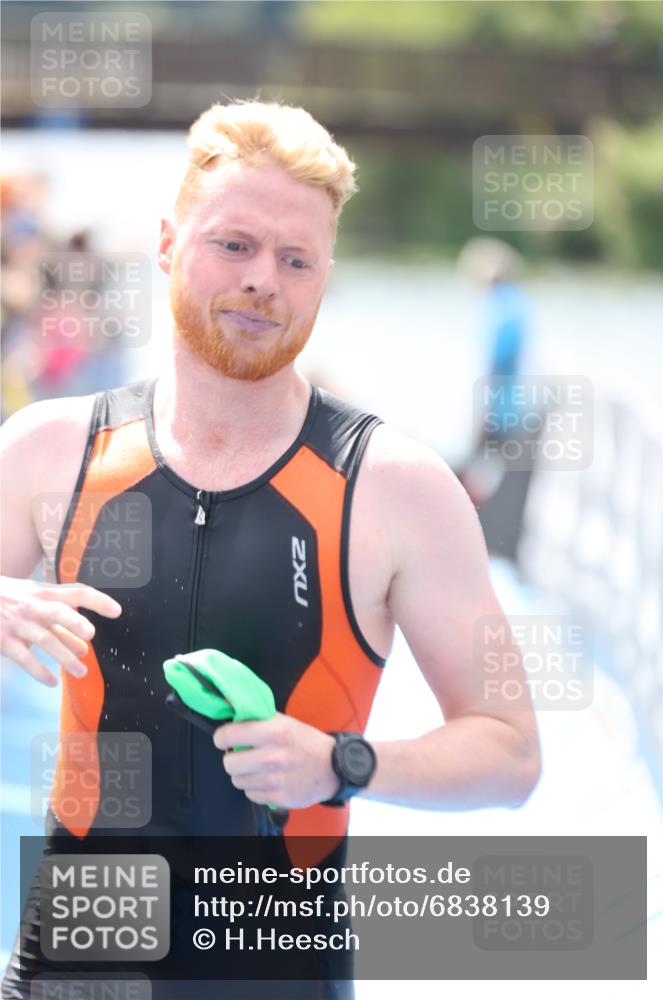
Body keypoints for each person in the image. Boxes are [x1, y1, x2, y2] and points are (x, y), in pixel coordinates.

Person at [1, 101, 541, 999]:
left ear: (324, 276)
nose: (263, 281)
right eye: (234, 245)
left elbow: (511, 755)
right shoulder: (49, 449)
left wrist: (340, 763)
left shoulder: (396, 489)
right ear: (169, 243)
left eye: (295, 260)